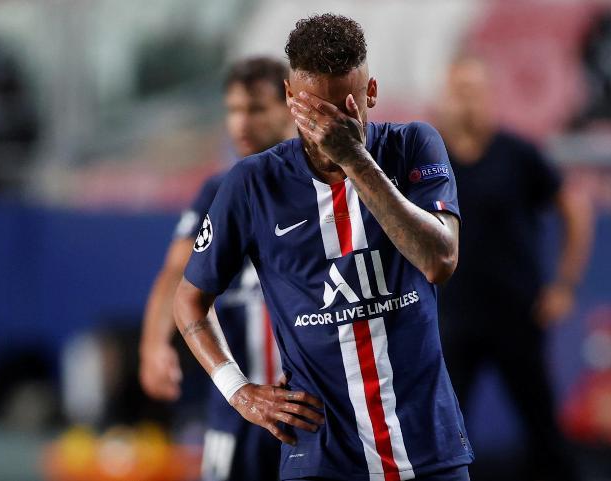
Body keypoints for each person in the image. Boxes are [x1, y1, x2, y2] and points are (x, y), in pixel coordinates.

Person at [174, 14, 474, 481]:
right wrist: (239, 391)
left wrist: (355, 159)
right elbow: (189, 300)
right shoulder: (252, 183)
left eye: (344, 109)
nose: (330, 126)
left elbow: (440, 260)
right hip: (320, 456)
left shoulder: (414, 146)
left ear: (371, 92)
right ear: (290, 98)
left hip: (428, 447)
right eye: (315, 111)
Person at [435, 55, 593, 481]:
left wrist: (564, 284)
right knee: (445, 434)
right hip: (453, 318)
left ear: (489, 96)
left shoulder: (517, 154)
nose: (466, 102)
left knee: (542, 429)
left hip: (518, 314)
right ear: (444, 98)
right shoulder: (430, 161)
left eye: (474, 91)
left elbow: (575, 209)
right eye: (458, 92)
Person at [139, 56, 295, 481]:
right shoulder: (217, 189)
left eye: (256, 109)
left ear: (290, 106)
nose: (240, 123)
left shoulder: (321, 186)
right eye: (233, 110)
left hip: (311, 405)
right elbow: (176, 272)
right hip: (237, 402)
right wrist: (154, 344)